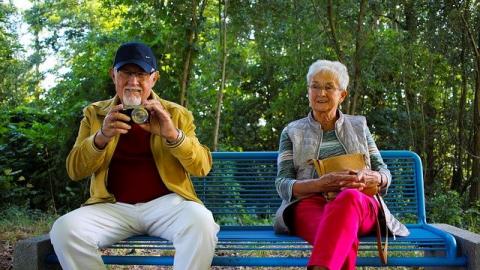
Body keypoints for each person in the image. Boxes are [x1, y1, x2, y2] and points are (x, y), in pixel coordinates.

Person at [50, 41, 219, 270]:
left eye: (141, 74)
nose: (133, 82)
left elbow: (202, 167)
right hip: (112, 207)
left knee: (202, 223)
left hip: (167, 205)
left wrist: (172, 134)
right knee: (64, 230)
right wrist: (101, 136)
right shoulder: (96, 113)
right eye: (126, 73)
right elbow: (74, 170)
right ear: (113, 75)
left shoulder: (176, 114)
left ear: (154, 78)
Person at [274, 60, 409, 270]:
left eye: (329, 87)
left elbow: (384, 172)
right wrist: (320, 184)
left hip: (360, 203)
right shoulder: (292, 131)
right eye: (315, 86)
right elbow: (283, 184)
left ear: (342, 95)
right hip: (310, 203)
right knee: (339, 235)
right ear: (308, 91)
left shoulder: (359, 126)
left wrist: (376, 177)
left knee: (349, 198)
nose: (321, 93)